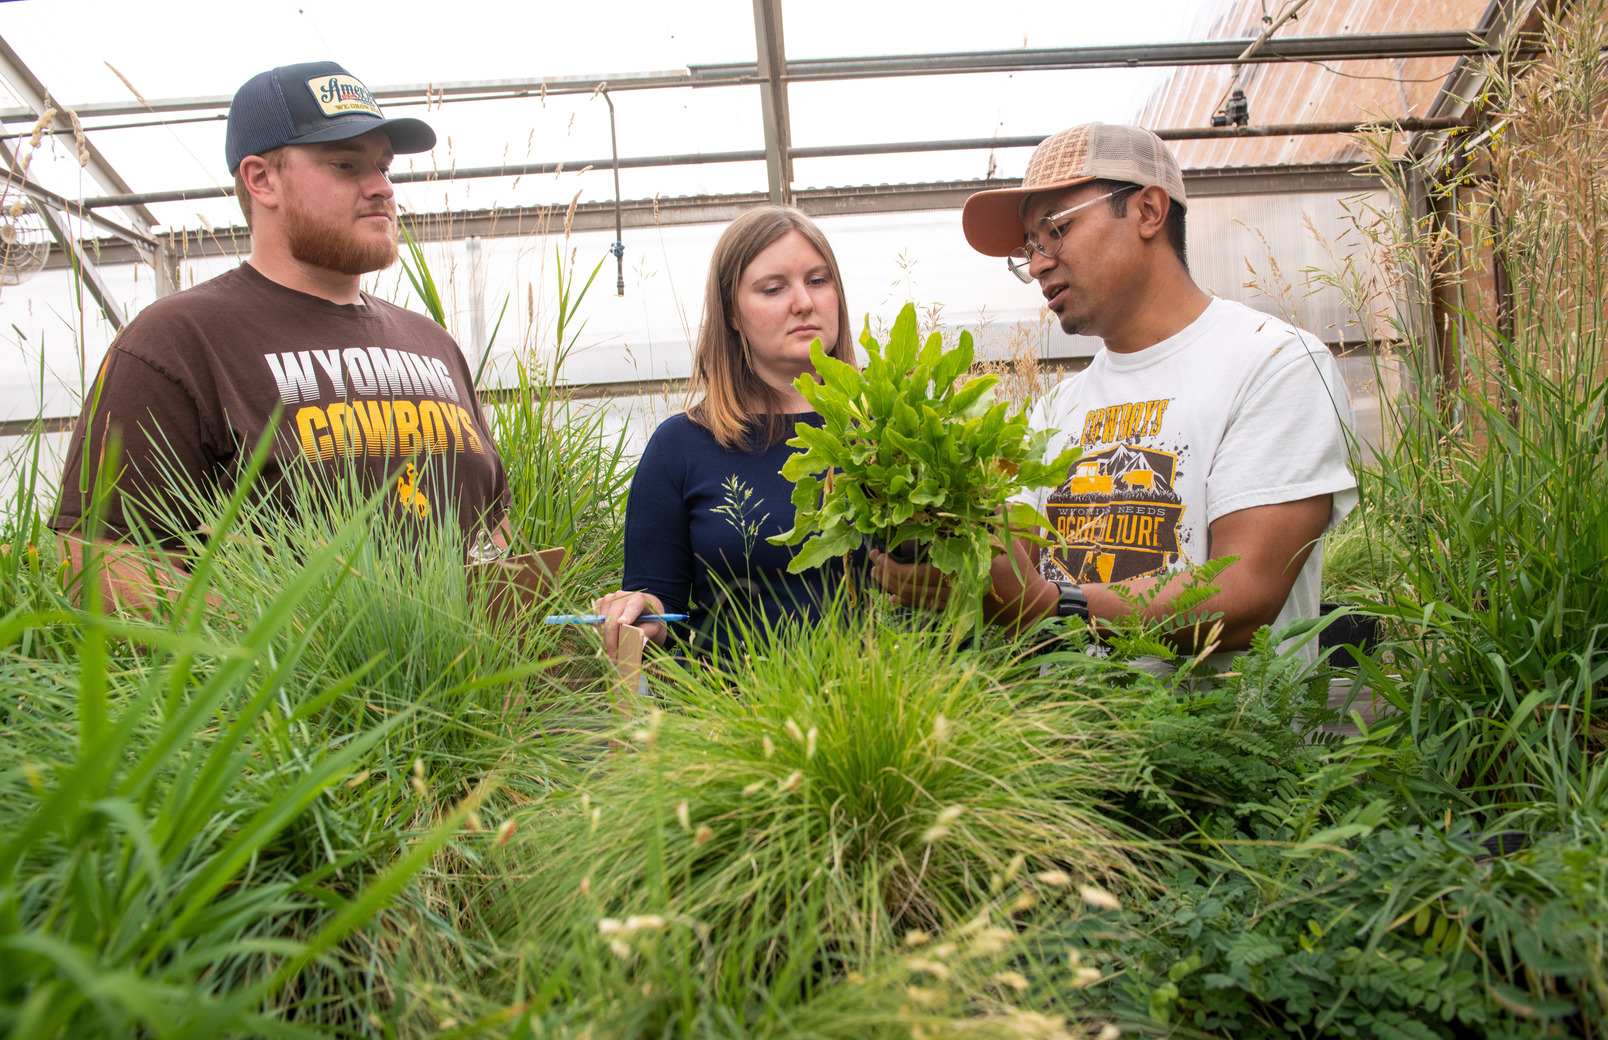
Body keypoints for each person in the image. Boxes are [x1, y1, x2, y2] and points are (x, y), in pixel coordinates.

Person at [874, 123, 1357, 663]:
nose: (1036, 264)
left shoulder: (1274, 362)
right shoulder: (1059, 405)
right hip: (1071, 741)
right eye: (1028, 247)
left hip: (1219, 739)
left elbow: (1242, 600)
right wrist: (912, 508)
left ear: (1148, 211)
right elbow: (1011, 555)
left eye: (1055, 229)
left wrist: (1053, 608)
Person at [50, 61, 512, 612]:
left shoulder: (431, 342)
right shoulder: (178, 341)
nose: (382, 189)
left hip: (472, 691)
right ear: (262, 180)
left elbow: (493, 535)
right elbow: (98, 563)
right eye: (345, 165)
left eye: (384, 167)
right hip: (287, 695)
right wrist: (298, 645)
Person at [594, 206, 862, 659]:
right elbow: (661, 605)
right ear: (731, 314)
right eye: (773, 288)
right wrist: (642, 613)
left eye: (818, 280)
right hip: (733, 716)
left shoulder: (886, 431)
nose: (804, 302)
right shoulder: (679, 447)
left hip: (885, 711)